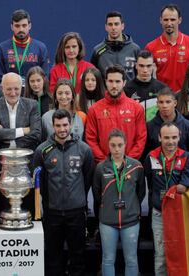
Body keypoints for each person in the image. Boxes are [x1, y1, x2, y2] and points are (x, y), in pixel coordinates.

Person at [33, 109, 94, 276]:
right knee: (53, 257)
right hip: (52, 213)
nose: (62, 129)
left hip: (77, 212)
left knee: (78, 257)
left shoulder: (84, 150)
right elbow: (39, 182)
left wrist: (77, 197)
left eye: (65, 125)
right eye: (58, 125)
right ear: (52, 126)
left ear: (71, 125)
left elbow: (87, 178)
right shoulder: (42, 150)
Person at [144, 122, 189, 276]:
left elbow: (184, 186)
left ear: (179, 137)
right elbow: (149, 181)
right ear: (159, 138)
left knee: (179, 251)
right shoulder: (151, 157)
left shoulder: (187, 157)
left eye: (174, 137)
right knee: (160, 254)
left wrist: (178, 187)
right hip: (158, 212)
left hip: (180, 214)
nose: (170, 141)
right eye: (166, 137)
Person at [93, 129, 145, 276]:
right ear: (108, 146)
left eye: (120, 145)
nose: (116, 149)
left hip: (131, 221)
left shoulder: (136, 166)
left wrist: (131, 206)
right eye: (113, 145)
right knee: (108, 259)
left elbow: (141, 193)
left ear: (125, 145)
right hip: (108, 222)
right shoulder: (100, 168)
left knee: (131, 260)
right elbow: (97, 194)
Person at [85, 65, 146, 163]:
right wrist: (105, 162)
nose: (114, 85)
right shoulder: (94, 110)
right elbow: (91, 139)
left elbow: (140, 139)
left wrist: (128, 162)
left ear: (124, 83)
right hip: (104, 167)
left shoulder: (136, 108)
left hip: (130, 166)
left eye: (117, 81)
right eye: (111, 81)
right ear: (105, 82)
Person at [145, 4, 189, 92]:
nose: (169, 23)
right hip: (162, 99)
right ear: (160, 20)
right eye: (166, 20)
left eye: (173, 19)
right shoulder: (150, 47)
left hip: (186, 97)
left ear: (179, 20)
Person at [0, 72, 41, 152]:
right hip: (1, 157)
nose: (13, 93)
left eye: (16, 89)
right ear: (2, 88)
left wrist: (6, 135)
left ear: (21, 88)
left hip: (26, 156)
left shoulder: (32, 105)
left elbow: (36, 135)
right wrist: (22, 131)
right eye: (9, 89)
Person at [0, 9, 49, 84]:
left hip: (33, 93)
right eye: (17, 26)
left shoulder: (41, 48)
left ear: (29, 26)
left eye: (24, 25)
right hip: (11, 93)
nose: (21, 29)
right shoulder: (1, 49)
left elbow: (45, 76)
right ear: (12, 27)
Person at [145, 88, 189, 157]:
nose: (164, 106)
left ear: (175, 103)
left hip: (183, 167)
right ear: (157, 104)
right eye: (161, 102)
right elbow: (146, 155)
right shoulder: (149, 127)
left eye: (168, 102)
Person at [90, 11, 140, 81]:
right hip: (106, 92)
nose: (113, 28)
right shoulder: (98, 51)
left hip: (129, 92)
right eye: (110, 24)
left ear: (122, 26)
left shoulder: (135, 49)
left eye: (116, 24)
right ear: (106, 27)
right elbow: (93, 77)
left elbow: (140, 76)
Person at [124, 49, 167, 122]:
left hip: (156, 131)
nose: (145, 70)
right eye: (141, 66)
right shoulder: (126, 89)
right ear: (136, 66)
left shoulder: (162, 89)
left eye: (148, 66)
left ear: (153, 66)